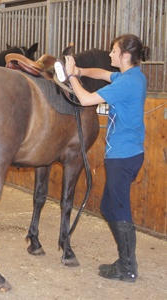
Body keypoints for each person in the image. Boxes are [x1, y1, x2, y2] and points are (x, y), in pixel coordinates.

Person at [65, 34, 150, 282]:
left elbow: (86, 99)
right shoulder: (132, 77)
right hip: (124, 154)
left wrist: (71, 76)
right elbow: (102, 74)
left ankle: (128, 267)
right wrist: (80, 69)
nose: (110, 54)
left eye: (114, 51)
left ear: (125, 56)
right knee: (108, 207)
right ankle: (125, 261)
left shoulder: (127, 83)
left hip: (123, 156)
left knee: (120, 210)